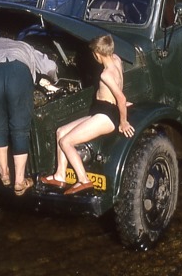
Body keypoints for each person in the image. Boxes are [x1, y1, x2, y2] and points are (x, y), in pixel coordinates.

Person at [41, 34, 133, 195]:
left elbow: (121, 97)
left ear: (97, 55)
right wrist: (122, 106)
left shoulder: (106, 74)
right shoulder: (117, 60)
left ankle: (83, 180)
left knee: (66, 142)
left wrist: (123, 122)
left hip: (106, 115)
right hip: (102, 110)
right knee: (61, 131)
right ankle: (60, 175)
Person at [0, 37, 57, 195]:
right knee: (19, 129)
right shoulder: (25, 46)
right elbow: (49, 67)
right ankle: (19, 181)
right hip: (18, 73)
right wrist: (55, 79)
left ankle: (4, 174)